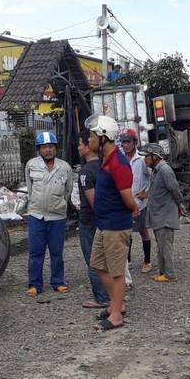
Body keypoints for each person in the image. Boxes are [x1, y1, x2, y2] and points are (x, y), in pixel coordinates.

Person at [86, 114, 139, 332]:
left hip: (116, 226)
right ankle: (117, 304)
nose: (89, 141)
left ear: (103, 137)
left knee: (117, 272)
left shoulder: (118, 163)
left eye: (91, 136)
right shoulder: (106, 161)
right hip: (104, 224)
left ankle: (116, 315)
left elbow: (128, 198)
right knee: (97, 265)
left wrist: (133, 208)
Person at [25, 132, 74, 297]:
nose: (48, 150)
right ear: (39, 149)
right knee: (35, 251)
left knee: (56, 252)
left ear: (56, 148)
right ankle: (34, 284)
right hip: (36, 215)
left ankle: (58, 282)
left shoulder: (65, 167)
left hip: (57, 217)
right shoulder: (31, 165)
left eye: (51, 146)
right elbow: (30, 188)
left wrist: (60, 204)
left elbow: (68, 191)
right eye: (44, 147)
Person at [138, 143, 184, 283]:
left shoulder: (165, 170)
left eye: (147, 156)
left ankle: (170, 274)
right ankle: (163, 272)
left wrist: (179, 205)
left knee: (165, 245)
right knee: (161, 245)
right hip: (159, 214)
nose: (145, 160)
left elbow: (175, 190)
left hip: (165, 214)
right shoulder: (156, 170)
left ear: (155, 157)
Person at [77, 130, 110, 309]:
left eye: (80, 144)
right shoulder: (106, 165)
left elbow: (94, 201)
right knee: (107, 259)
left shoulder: (85, 173)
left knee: (93, 260)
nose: (78, 148)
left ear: (88, 147)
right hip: (108, 220)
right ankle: (112, 293)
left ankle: (102, 297)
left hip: (90, 220)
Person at [120, 128, 152, 274]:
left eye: (128, 142)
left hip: (140, 203)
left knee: (142, 230)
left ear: (135, 142)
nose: (125, 145)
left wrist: (147, 193)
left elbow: (153, 176)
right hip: (125, 201)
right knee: (126, 232)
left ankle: (147, 261)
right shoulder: (120, 159)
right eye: (123, 142)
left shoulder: (142, 159)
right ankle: (128, 260)